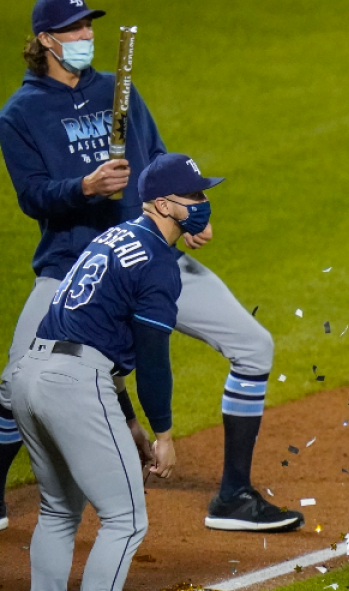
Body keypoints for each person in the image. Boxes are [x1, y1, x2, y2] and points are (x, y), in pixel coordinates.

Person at [0, 0, 299, 532]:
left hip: (154, 256)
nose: (86, 36)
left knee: (253, 346)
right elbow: (33, 197)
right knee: (16, 380)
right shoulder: (21, 114)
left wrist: (194, 210)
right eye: (73, 29)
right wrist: (85, 186)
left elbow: (162, 160)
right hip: (76, 267)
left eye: (89, 26)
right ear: (45, 40)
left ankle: (233, 496)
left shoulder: (118, 91)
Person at [8, 153, 217, 591]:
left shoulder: (115, 237)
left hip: (29, 375)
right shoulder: (158, 264)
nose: (201, 203)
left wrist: (130, 422)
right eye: (193, 195)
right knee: (125, 520)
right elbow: (153, 358)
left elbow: (101, 339)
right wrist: (163, 434)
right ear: (162, 204)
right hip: (72, 384)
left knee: (58, 511)